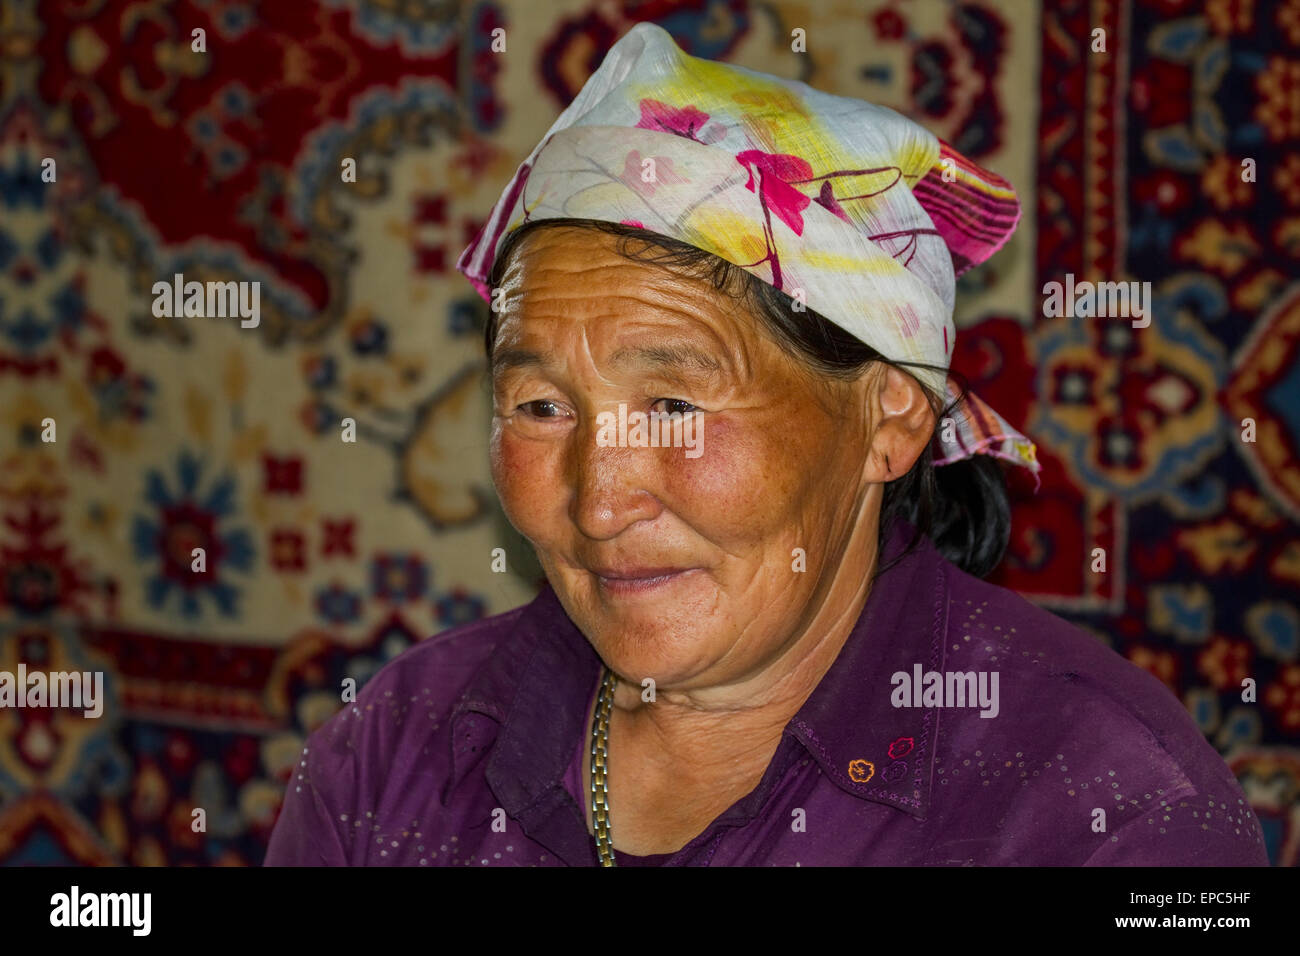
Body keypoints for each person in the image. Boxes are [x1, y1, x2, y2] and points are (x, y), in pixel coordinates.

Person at [264, 22, 1267, 866]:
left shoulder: (1105, 810)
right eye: (538, 406)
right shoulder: (393, 756)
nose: (598, 502)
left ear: (889, 416)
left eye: (672, 404)